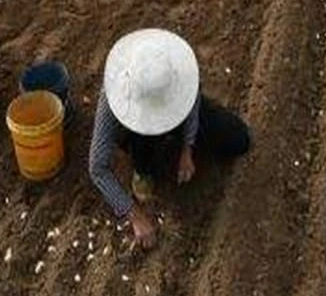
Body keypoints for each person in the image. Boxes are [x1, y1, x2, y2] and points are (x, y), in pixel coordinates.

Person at [89, 28, 251, 249]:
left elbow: (192, 103)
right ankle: (143, 169)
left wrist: (188, 147)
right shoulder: (113, 96)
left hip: (178, 113)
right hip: (138, 133)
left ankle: (172, 142)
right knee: (145, 149)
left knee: (238, 139)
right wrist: (134, 215)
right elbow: (98, 167)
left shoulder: (177, 70)